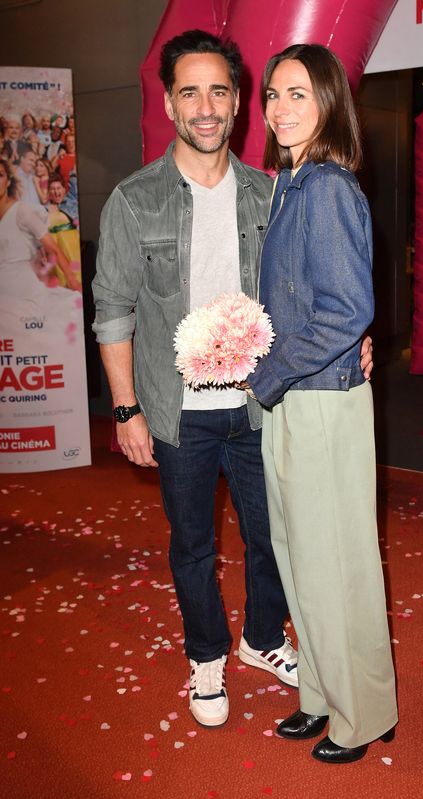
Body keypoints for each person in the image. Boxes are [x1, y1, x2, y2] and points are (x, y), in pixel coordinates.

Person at [92, 29, 301, 731]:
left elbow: (300, 294)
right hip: (176, 412)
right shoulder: (133, 200)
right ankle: (206, 655)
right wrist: (126, 410)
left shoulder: (268, 196)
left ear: (239, 102)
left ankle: (262, 637)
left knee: (272, 536)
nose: (206, 106)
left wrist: (350, 345)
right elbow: (114, 310)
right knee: (193, 546)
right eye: (190, 91)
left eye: (219, 90)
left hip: (257, 408)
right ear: (170, 101)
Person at [245, 44, 398, 764]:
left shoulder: (329, 186)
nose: (279, 108)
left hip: (317, 402)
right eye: (273, 94)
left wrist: (267, 373)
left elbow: (345, 311)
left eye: (298, 94)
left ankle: (358, 713)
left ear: (330, 101)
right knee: (300, 557)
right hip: (294, 396)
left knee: (332, 562)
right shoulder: (292, 182)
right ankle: (324, 692)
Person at [0, 157, 82, 305]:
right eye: (52, 189)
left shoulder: (71, 203)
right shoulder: (43, 211)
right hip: (56, 257)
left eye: (59, 188)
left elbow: (74, 178)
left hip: (74, 251)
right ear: (48, 192)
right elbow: (40, 239)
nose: (56, 192)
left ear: (64, 189)